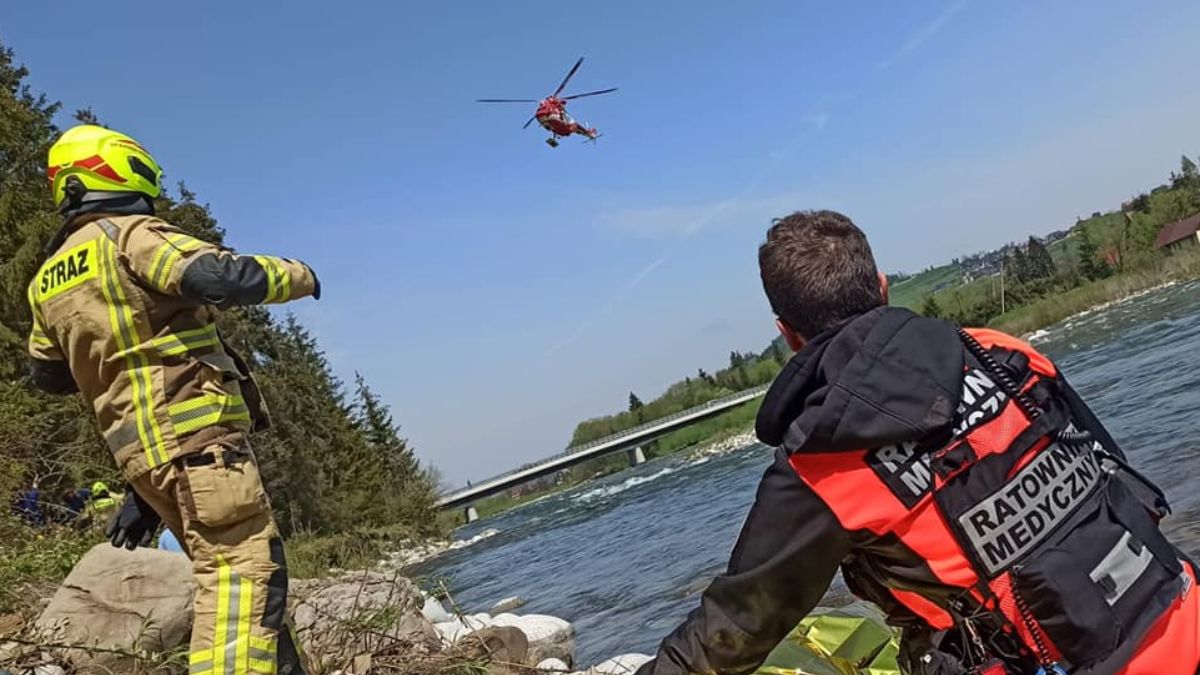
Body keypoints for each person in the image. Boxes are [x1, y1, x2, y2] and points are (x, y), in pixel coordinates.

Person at [635, 211, 1200, 675]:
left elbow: (733, 629)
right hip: (1182, 608)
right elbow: (1108, 465)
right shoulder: (1002, 352)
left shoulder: (823, 465)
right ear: (883, 289)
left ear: (787, 334)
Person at [27, 124, 320, 675]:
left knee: (236, 591)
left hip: (146, 462)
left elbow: (49, 375)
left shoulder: (45, 282)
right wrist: (301, 275)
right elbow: (215, 276)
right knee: (245, 580)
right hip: (199, 443)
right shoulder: (127, 234)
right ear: (120, 169)